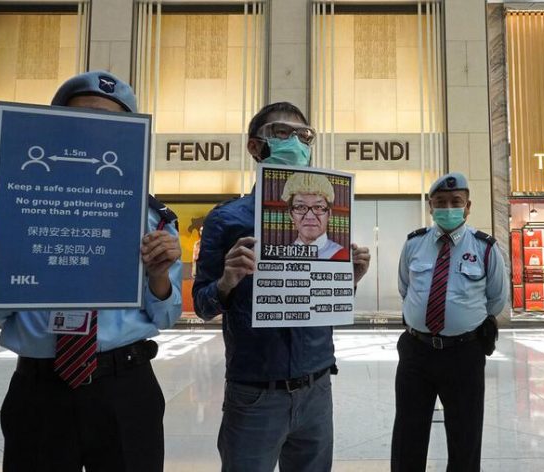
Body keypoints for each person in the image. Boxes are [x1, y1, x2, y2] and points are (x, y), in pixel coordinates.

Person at [0, 71, 183, 472]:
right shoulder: (21, 206)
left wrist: (158, 278)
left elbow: (166, 316)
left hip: (124, 386)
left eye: (109, 124)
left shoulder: (152, 219)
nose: (92, 132)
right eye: (80, 120)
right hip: (39, 391)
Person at [192, 102, 371, 472]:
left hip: (317, 386)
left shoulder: (326, 218)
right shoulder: (227, 219)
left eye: (304, 136)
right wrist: (226, 281)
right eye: (282, 133)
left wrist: (347, 280)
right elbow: (203, 305)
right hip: (255, 391)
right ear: (255, 146)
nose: (296, 143)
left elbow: (322, 303)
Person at [391, 172, 508, 472]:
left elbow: (496, 299)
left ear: (468, 207)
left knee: (465, 434)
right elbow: (405, 288)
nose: (448, 208)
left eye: (456, 202)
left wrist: (462, 320)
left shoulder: (485, 247)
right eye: (440, 202)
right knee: (408, 432)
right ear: (430, 206)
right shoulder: (414, 244)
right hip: (416, 350)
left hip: (464, 353)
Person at [281, 171, 348, 260]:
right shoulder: (281, 256)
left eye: (318, 207)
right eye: (301, 207)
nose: (309, 216)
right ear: (290, 214)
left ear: (329, 214)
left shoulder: (343, 256)